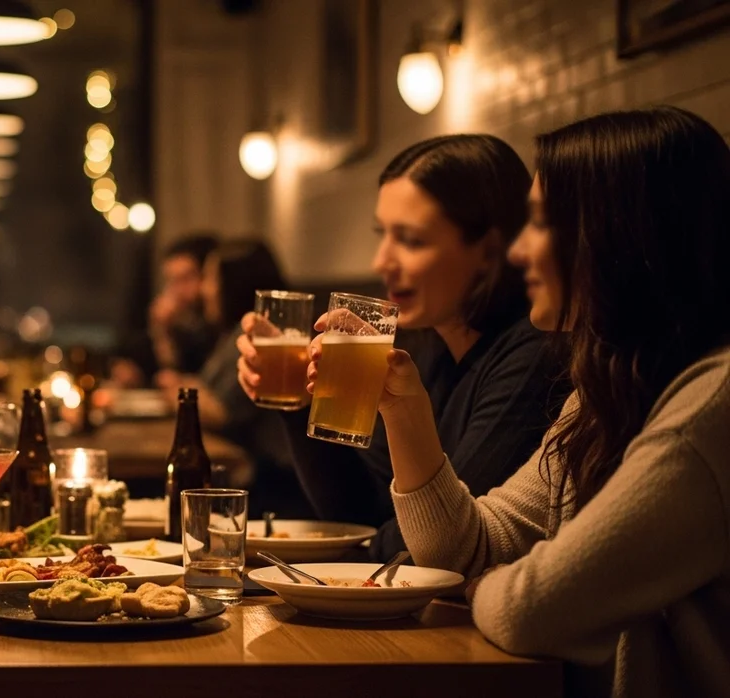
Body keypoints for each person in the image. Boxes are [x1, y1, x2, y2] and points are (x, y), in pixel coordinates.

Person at [327, 107, 730, 696]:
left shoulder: (704, 415)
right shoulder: (607, 395)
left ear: (613, 236)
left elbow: (531, 610)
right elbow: (470, 549)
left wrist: (490, 584)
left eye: (539, 224)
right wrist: (405, 412)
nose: (517, 254)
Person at [237, 135, 568, 561]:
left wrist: (352, 559)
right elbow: (360, 511)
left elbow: (438, 540)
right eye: (383, 235)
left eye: (410, 240)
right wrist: (300, 402)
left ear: (488, 251)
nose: (381, 262)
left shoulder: (532, 357)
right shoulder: (425, 347)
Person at [173, 240, 303, 517]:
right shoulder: (232, 334)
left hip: (276, 483)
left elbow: (221, 412)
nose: (205, 289)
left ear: (234, 283)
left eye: (210, 278)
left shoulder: (262, 339)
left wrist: (180, 389)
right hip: (261, 474)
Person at [112, 234, 220, 388]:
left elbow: (192, 382)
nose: (177, 291)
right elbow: (165, 373)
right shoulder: (184, 325)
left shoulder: (219, 328)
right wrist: (161, 331)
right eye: (172, 280)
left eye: (185, 279)